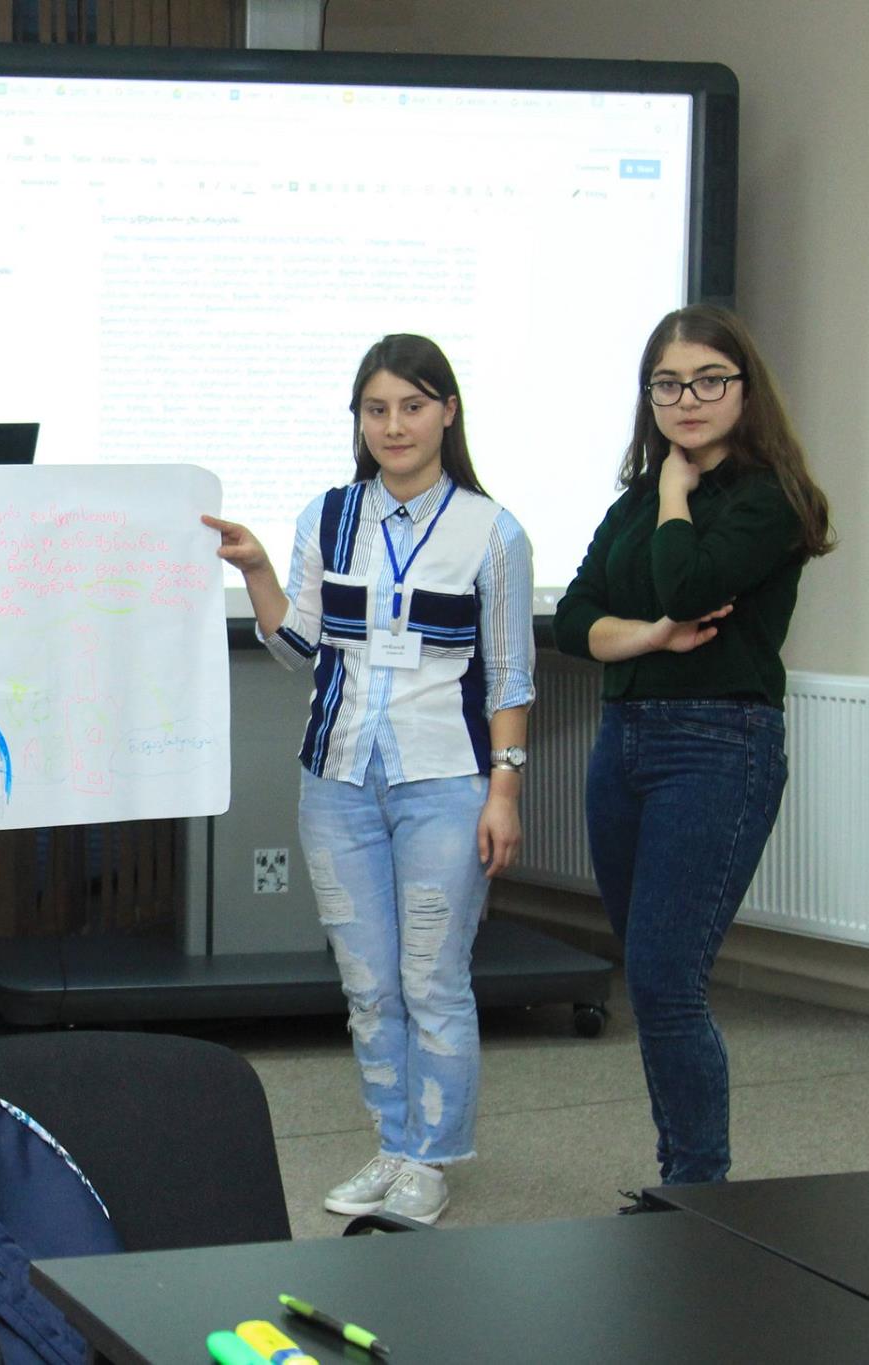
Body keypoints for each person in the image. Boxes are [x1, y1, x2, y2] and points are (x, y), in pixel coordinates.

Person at [206, 334, 534, 1225]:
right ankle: (392, 1144)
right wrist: (259, 570)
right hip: (337, 781)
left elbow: (510, 678)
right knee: (368, 985)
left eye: (412, 407)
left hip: (446, 783)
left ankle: (432, 1157)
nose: (394, 426)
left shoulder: (492, 532)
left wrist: (505, 791)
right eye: (376, 409)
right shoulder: (328, 516)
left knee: (433, 979)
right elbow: (300, 648)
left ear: (447, 413)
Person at [555, 304, 832, 1186]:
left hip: (720, 744)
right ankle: (681, 1174)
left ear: (745, 389)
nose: (688, 399)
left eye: (709, 380)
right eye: (668, 384)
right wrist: (647, 638)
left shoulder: (768, 498)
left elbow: (689, 585)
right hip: (624, 743)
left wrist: (675, 495)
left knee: (668, 981)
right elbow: (574, 618)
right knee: (649, 977)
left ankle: (698, 1187)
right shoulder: (634, 503)